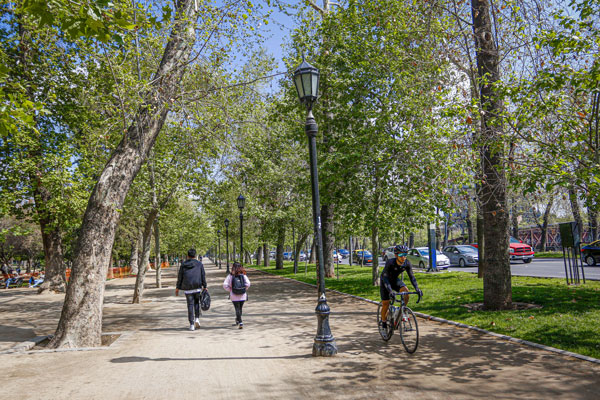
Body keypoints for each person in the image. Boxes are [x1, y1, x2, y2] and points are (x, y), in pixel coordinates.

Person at [380, 244, 423, 329]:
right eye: (401, 255)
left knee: (406, 291)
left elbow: (412, 277)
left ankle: (401, 310)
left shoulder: (407, 263)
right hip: (385, 281)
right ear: (396, 255)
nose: (403, 257)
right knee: (386, 304)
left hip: (395, 280)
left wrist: (417, 288)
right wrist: (390, 291)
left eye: (405, 254)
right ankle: (384, 323)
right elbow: (385, 277)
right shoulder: (390, 263)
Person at [176, 249, 207, 331]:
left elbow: (180, 277)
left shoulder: (183, 264)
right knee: (197, 303)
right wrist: (205, 286)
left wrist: (177, 288)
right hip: (197, 286)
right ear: (195, 255)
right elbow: (203, 275)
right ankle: (197, 318)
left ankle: (191, 324)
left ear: (188, 255)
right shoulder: (199, 264)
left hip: (187, 287)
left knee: (190, 305)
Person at [223, 262, 250, 329]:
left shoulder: (230, 276)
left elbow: (225, 285)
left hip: (234, 295)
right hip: (242, 295)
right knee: (240, 309)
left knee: (237, 309)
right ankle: (238, 319)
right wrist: (244, 289)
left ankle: (240, 322)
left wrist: (230, 290)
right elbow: (248, 283)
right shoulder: (243, 275)